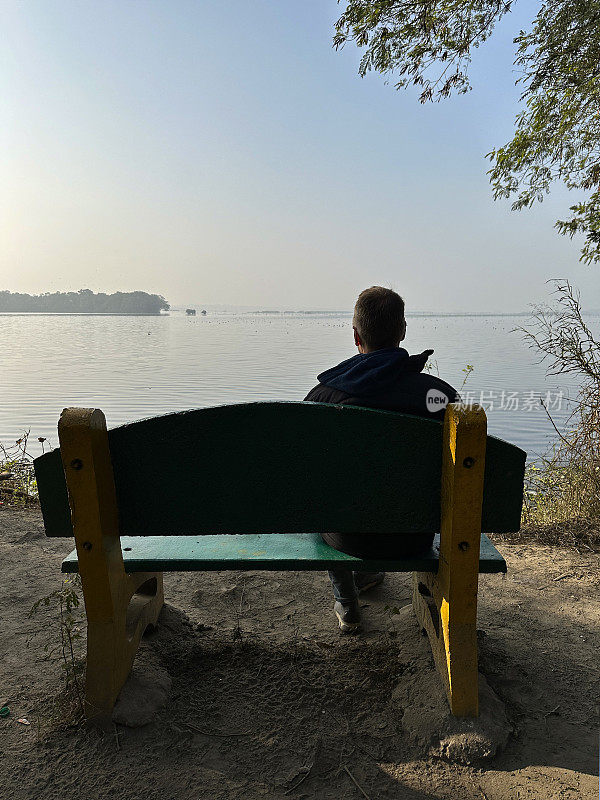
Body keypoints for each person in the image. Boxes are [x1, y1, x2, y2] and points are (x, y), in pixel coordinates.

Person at [304, 286, 459, 632]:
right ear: (402, 332)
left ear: (356, 336)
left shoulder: (323, 398)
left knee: (331, 496)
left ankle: (346, 600)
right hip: (415, 534)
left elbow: (308, 475)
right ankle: (370, 574)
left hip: (348, 537)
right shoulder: (438, 396)